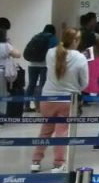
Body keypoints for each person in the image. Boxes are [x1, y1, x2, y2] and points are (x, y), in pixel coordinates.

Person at [31, 29, 88, 172]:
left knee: (45, 130)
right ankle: (58, 163)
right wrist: (75, 87)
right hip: (67, 100)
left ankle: (35, 161)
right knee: (61, 132)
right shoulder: (80, 57)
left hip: (47, 98)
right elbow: (85, 83)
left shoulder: (50, 53)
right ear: (75, 41)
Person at [23, 24, 57, 112]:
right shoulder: (53, 38)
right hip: (44, 65)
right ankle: (39, 107)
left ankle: (26, 106)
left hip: (32, 64)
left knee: (31, 85)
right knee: (42, 85)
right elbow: (55, 51)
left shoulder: (36, 36)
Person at [0, 22, 21, 120]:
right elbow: (18, 54)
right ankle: (1, 117)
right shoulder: (6, 45)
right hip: (2, 72)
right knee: (2, 95)